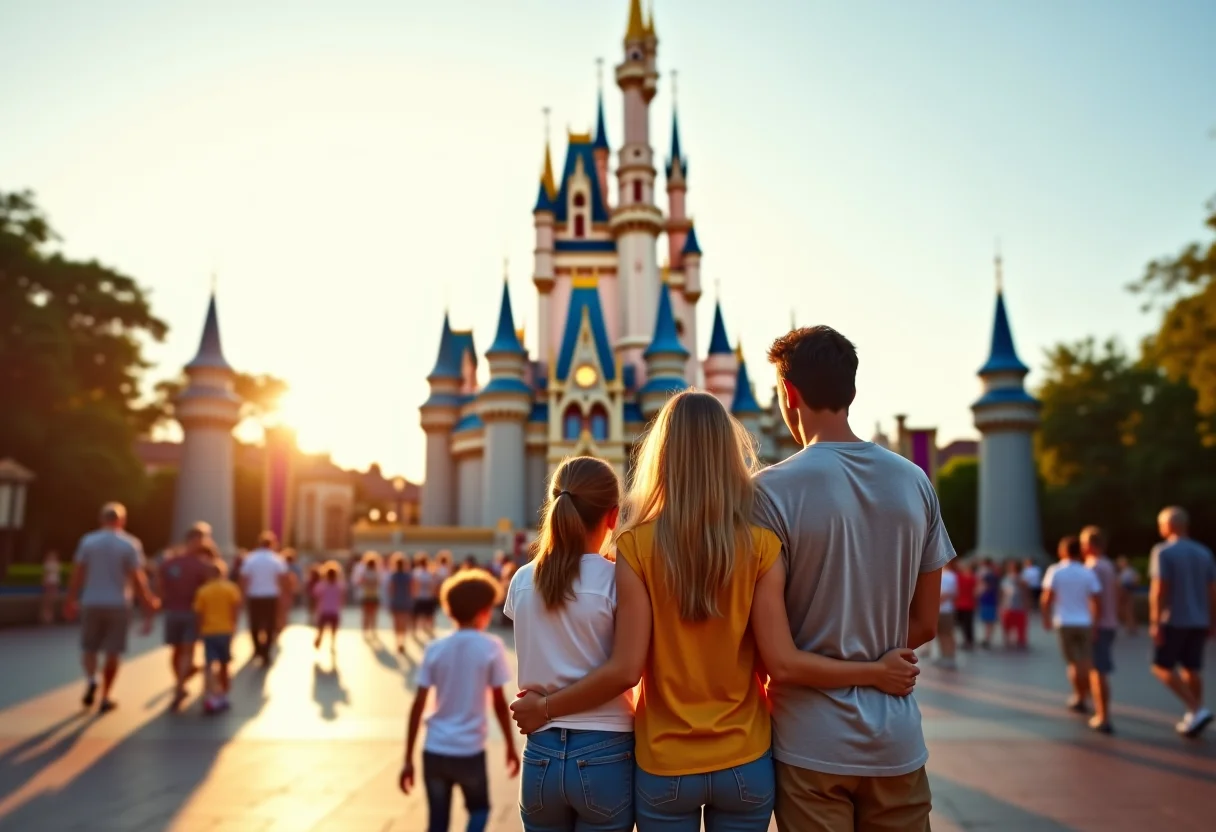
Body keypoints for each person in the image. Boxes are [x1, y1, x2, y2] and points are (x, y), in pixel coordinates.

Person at [512, 390, 920, 832]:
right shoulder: (762, 546)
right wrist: (874, 672)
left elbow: (627, 665)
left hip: (665, 761)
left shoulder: (635, 548)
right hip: (744, 757)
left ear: (662, 455)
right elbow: (780, 662)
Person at [747, 328, 953, 832]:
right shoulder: (914, 481)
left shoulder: (768, 492)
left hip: (810, 746)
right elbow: (925, 623)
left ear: (788, 394)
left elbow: (780, 660)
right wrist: (875, 664)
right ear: (852, 393)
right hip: (897, 744)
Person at [503, 456, 637, 831]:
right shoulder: (616, 581)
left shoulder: (523, 580)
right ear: (612, 516)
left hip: (541, 755)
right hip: (605, 749)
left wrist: (545, 707)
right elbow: (626, 671)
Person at [400, 571, 519, 832]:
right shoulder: (491, 647)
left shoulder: (434, 648)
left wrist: (407, 758)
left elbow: (418, 705)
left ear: (449, 609)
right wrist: (511, 746)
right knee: (479, 810)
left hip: (434, 749)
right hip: (469, 750)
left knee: (437, 822)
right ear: (484, 610)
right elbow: (500, 703)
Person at [63, 502, 159, 713]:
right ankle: (106, 695)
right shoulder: (129, 544)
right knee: (113, 651)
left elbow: (78, 573)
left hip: (92, 600)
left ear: (101, 519)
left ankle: (91, 679)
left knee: (89, 648)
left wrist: (70, 599)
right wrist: (148, 602)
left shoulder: (88, 541)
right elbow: (138, 578)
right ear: (122, 521)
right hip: (118, 603)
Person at [1149, 506, 1216, 738]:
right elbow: (1212, 590)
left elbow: (1159, 589)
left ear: (1169, 525)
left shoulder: (1163, 552)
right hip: (1199, 618)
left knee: (1162, 666)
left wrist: (1155, 621)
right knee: (1191, 667)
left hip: (1174, 618)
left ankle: (1197, 709)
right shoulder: (1204, 552)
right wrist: (1212, 619)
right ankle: (1194, 715)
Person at [1041, 536, 1101, 717]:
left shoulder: (1056, 571)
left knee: (1073, 663)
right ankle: (1089, 693)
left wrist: (1046, 618)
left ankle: (1079, 696)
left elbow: (1047, 598)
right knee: (1086, 660)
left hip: (1064, 621)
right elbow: (1096, 599)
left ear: (1063, 551)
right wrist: (1095, 622)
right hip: (1084, 621)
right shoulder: (1087, 572)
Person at [158, 523, 215, 709]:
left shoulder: (171, 562)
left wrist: (160, 601)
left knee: (177, 651)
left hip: (173, 611)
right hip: (191, 612)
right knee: (186, 652)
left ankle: (180, 684)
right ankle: (180, 685)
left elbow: (159, 584)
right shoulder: (203, 565)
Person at [1082, 526, 1119, 734]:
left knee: (1098, 672)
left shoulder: (1093, 567)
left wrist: (1093, 625)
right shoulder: (1108, 565)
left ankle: (1103, 716)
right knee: (1097, 670)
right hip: (1109, 623)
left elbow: (1094, 600)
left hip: (1098, 625)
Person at [194, 559, 242, 715]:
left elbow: (199, 613)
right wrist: (234, 625)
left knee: (209, 663)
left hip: (209, 630)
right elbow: (235, 609)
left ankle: (210, 692)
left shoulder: (203, 590)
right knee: (224, 663)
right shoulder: (230, 589)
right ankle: (223, 694)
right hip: (225, 629)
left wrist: (199, 629)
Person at [240, 532, 289, 665]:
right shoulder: (276, 559)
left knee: (254, 624)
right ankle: (266, 651)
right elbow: (283, 579)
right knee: (270, 624)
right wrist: (284, 597)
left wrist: (242, 596)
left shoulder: (251, 558)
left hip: (254, 595)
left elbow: (244, 579)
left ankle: (257, 648)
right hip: (270, 595)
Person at [313, 562, 344, 652]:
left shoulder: (322, 585)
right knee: (333, 629)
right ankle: (332, 643)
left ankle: (319, 638)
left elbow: (316, 595)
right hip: (334, 610)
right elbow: (342, 597)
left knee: (321, 628)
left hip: (323, 610)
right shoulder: (339, 585)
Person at [388, 552, 415, 654]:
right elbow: (411, 589)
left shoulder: (394, 576)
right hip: (405, 600)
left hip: (396, 600)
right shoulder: (408, 576)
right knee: (404, 622)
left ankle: (397, 641)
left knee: (396, 622)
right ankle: (402, 641)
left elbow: (391, 590)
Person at [1000, 558, 1029, 651]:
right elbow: (1002, 593)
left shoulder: (1021, 579)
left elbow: (1026, 593)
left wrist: (1027, 604)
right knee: (1008, 626)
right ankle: (1009, 641)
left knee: (1019, 627)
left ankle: (1019, 641)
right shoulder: (1006, 579)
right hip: (1008, 606)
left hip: (1017, 606)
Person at [937, 563, 959, 669]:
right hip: (938, 610)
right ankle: (943, 654)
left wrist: (938, 600)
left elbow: (952, 592)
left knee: (948, 634)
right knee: (940, 634)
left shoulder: (950, 575)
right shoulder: (938, 573)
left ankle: (950, 656)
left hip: (946, 609)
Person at [413, 553, 438, 636]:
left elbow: (414, 586)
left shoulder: (416, 572)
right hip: (428, 597)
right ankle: (429, 629)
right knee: (429, 616)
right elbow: (433, 586)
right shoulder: (431, 573)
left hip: (419, 597)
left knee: (417, 616)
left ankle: (416, 631)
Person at [358, 552, 383, 636]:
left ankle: (365, 631)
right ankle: (373, 630)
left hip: (366, 595)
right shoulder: (377, 572)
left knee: (365, 615)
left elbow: (360, 582)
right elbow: (378, 583)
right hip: (374, 595)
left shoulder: (364, 572)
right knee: (373, 615)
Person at [977, 558, 1000, 648]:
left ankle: (987, 638)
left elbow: (983, 587)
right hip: (992, 600)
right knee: (990, 621)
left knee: (988, 621)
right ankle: (988, 637)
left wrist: (977, 594)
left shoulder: (987, 575)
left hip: (987, 599)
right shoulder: (994, 575)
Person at [954, 561, 977, 650]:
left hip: (963, 604)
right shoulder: (972, 578)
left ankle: (968, 641)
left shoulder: (959, 577)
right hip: (966, 604)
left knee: (964, 624)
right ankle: (968, 641)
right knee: (967, 624)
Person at [1116, 556, 1140, 636]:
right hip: (1123, 592)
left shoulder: (1129, 571)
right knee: (1125, 610)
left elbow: (1135, 581)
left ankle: (1132, 627)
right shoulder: (1123, 572)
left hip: (1127, 592)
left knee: (1129, 610)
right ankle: (1130, 626)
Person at [41, 550, 62, 625]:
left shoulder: (56, 564)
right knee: (48, 601)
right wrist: (44, 583)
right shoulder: (48, 564)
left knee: (52, 600)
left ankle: (49, 617)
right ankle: (46, 618)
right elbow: (45, 574)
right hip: (49, 583)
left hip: (54, 583)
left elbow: (57, 575)